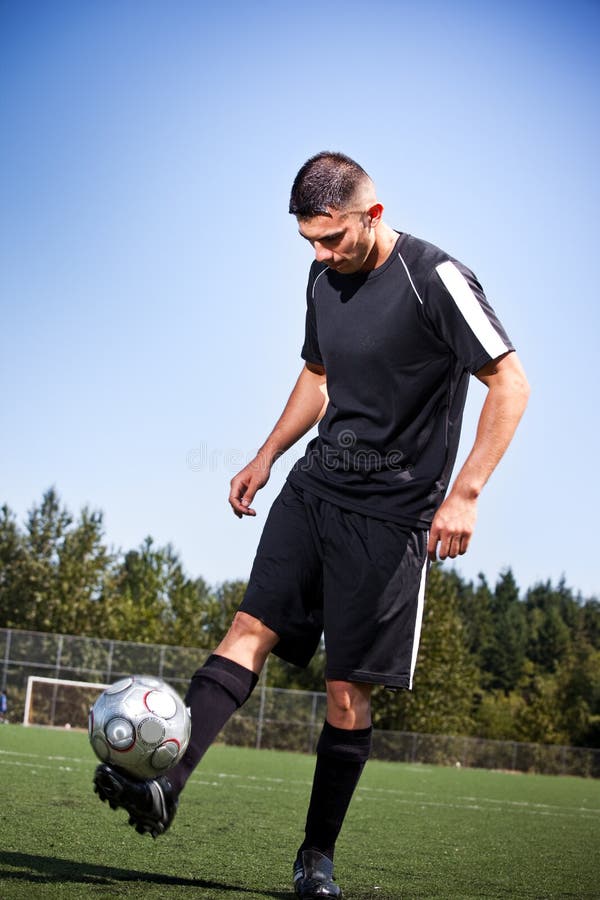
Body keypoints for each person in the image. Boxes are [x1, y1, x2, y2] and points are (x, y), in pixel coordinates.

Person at [94, 152, 530, 898]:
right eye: (310, 244)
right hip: (316, 488)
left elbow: (510, 382)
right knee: (247, 631)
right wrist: (266, 455)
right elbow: (317, 374)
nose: (323, 256)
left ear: (374, 215)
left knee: (344, 694)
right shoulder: (322, 276)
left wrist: (468, 494)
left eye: (333, 239)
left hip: (392, 517)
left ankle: (315, 858)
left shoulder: (437, 279)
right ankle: (166, 787)